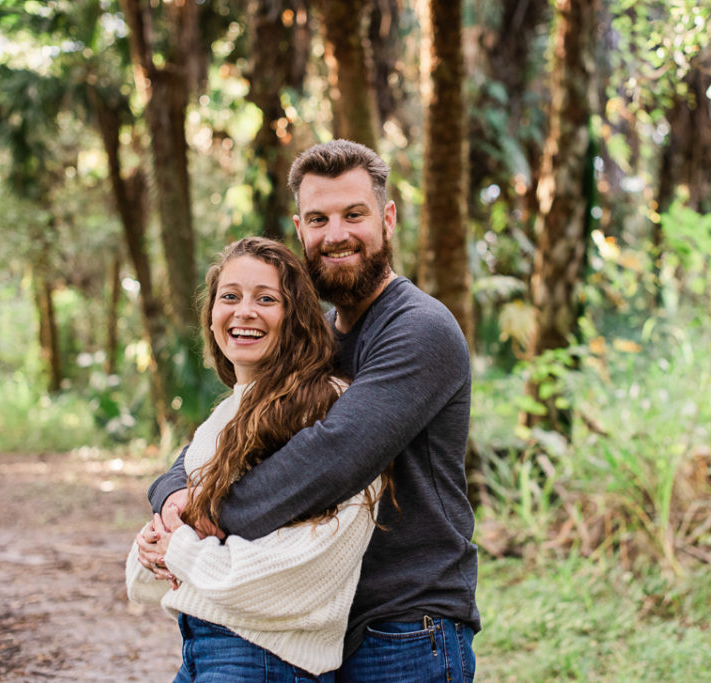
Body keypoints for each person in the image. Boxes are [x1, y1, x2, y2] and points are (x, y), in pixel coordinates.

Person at [139, 139, 480, 682]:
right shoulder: (316, 337)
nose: (336, 234)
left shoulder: (418, 329)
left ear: (387, 218)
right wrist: (172, 495)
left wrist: (204, 523)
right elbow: (233, 430)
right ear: (300, 230)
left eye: (354, 214)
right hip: (315, 626)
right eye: (319, 219)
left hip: (406, 626)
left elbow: (331, 460)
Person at [126, 237, 383, 681]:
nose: (244, 311)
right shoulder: (226, 414)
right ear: (211, 315)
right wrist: (151, 549)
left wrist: (180, 551)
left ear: (297, 317)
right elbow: (169, 549)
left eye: (266, 299)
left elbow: (306, 574)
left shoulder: (328, 410)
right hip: (201, 650)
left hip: (263, 661)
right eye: (230, 296)